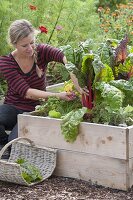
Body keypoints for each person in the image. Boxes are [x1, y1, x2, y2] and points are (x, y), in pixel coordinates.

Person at [0, 19, 83, 150]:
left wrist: (72, 72)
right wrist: (58, 95)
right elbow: (28, 93)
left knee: (16, 143)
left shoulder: (42, 51)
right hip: (12, 107)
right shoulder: (6, 62)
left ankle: (8, 150)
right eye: (24, 45)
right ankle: (4, 148)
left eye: (32, 43)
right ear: (14, 44)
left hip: (34, 111)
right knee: (11, 145)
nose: (30, 48)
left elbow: (64, 56)